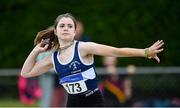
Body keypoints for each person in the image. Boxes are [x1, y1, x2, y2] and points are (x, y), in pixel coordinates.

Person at [20, 13, 164, 107]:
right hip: (72, 102)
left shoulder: (84, 48)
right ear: (56, 31)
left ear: (75, 31)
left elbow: (117, 51)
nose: (66, 28)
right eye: (62, 26)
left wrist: (145, 52)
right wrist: (36, 50)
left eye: (70, 26)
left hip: (92, 101)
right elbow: (26, 73)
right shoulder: (53, 58)